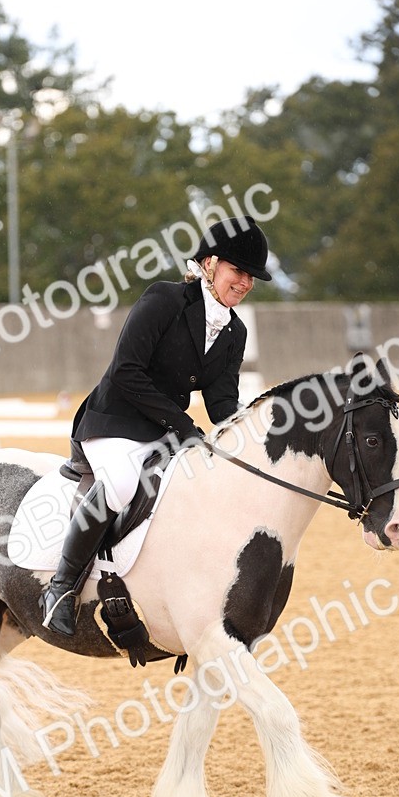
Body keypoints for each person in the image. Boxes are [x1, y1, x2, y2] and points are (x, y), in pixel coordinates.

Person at [39, 215, 272, 636]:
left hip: (164, 431)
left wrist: (255, 425)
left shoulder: (234, 331)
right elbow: (127, 371)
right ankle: (61, 587)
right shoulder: (164, 300)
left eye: (251, 277)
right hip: (114, 418)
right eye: (238, 271)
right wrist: (183, 423)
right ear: (209, 263)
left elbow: (220, 403)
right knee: (124, 484)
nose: (245, 283)